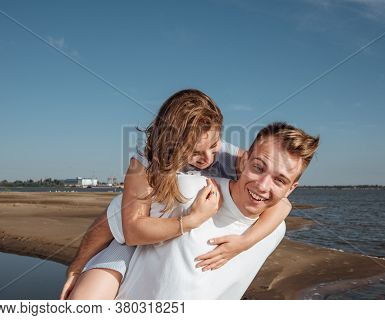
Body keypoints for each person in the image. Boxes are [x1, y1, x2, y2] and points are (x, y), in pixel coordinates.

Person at [61, 90, 292, 299]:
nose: (208, 159)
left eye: (213, 146)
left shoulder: (232, 157)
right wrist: (76, 268)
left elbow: (282, 204)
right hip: (134, 240)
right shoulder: (144, 165)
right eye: (194, 152)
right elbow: (124, 229)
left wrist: (242, 244)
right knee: (84, 300)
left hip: (171, 243)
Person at [115, 122, 320, 299]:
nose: (263, 186)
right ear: (244, 160)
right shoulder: (188, 190)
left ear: (291, 188)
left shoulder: (275, 231)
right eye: (258, 168)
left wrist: (245, 243)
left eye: (279, 180)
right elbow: (120, 220)